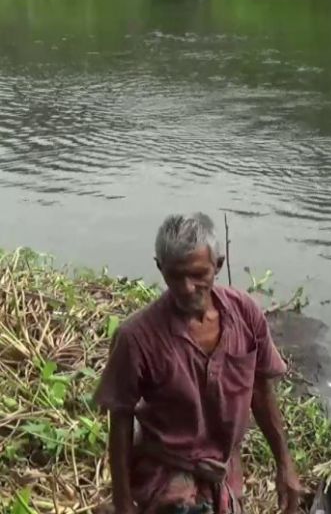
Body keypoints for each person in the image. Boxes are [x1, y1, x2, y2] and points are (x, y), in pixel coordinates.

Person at [94, 213, 301, 514]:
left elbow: (260, 391)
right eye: (175, 276)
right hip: (166, 472)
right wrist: (124, 503)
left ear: (218, 265)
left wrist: (285, 464)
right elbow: (121, 419)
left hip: (223, 471)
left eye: (198, 275)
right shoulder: (136, 337)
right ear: (160, 269)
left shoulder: (244, 314)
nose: (187, 287)